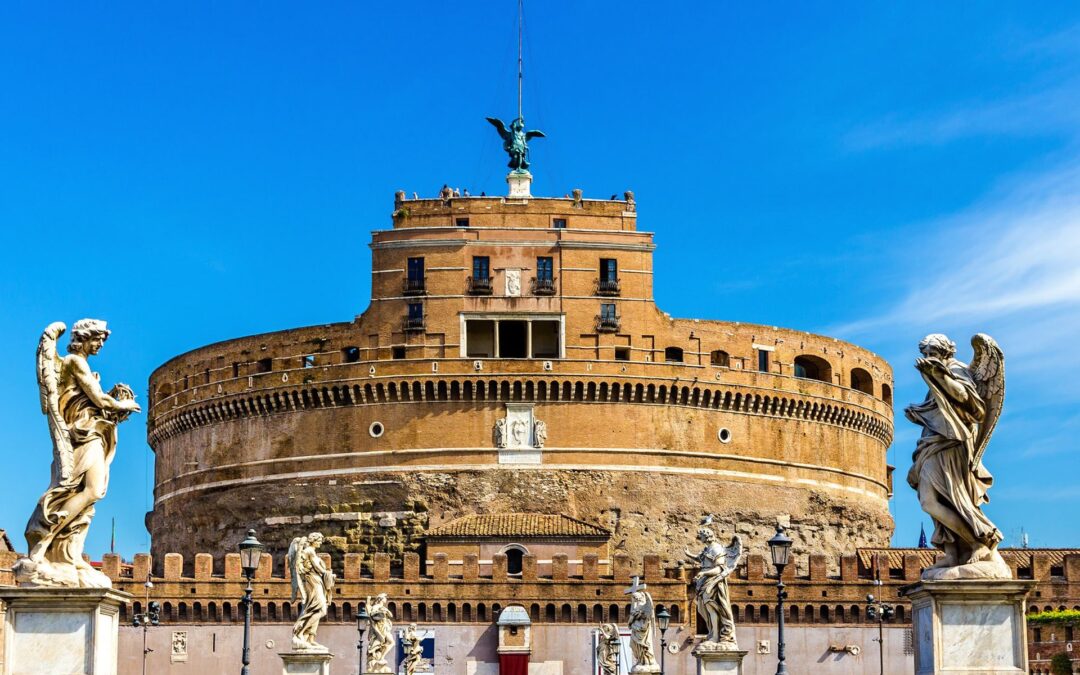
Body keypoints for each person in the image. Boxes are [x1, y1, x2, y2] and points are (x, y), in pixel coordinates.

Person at [20, 320, 140, 588]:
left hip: (92, 433)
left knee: (89, 494)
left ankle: (69, 553)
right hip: (82, 436)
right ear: (85, 338)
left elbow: (91, 402)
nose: (99, 346)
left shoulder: (79, 366)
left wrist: (114, 407)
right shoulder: (75, 362)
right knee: (86, 489)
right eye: (97, 340)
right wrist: (124, 404)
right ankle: (45, 537)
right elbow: (98, 401)